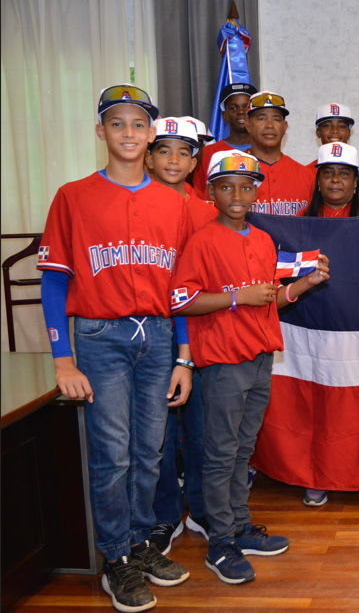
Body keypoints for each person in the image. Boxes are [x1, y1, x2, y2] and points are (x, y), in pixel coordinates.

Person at [38, 84, 193, 612]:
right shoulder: (73, 195)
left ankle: (141, 542)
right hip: (101, 338)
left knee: (150, 452)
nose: (129, 132)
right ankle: (116, 558)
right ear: (101, 131)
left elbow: (181, 291)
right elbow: (56, 280)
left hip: (157, 338)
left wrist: (184, 356)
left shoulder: (173, 203)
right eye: (118, 123)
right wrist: (63, 357)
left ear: (151, 135)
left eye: (138, 124)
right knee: (113, 455)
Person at [170, 150, 331, 584]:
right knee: (221, 454)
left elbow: (270, 300)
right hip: (223, 362)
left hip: (260, 357)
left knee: (244, 449)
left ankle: (239, 528)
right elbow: (181, 300)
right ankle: (219, 542)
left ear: (256, 191)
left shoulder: (261, 240)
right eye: (226, 187)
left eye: (246, 186)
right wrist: (237, 298)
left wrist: (302, 285)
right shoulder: (203, 240)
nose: (237, 195)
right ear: (212, 192)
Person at [144, 118, 217, 552]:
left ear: (195, 163)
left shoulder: (209, 212)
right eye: (164, 150)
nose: (173, 160)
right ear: (149, 156)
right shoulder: (134, 203)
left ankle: (204, 509)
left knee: (203, 425)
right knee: (159, 430)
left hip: (202, 330)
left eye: (183, 153)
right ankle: (166, 514)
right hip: (154, 330)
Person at [298, 141, 359, 507]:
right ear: (318, 182)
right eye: (328, 173)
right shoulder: (300, 223)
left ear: (355, 181)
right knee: (322, 405)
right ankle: (319, 474)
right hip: (318, 328)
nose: (335, 180)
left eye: (343, 174)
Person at [245, 90, 316, 215]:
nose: (270, 125)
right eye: (261, 118)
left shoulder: (306, 175)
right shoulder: (231, 171)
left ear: (285, 127)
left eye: (276, 119)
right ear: (248, 125)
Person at [193, 82, 256, 197]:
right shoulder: (207, 154)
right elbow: (200, 196)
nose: (241, 112)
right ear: (225, 116)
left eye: (246, 107)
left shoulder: (264, 152)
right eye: (233, 108)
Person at [308, 103, 354, 168]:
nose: (335, 130)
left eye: (341, 126)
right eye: (327, 125)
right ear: (318, 132)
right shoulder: (306, 172)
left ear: (349, 133)